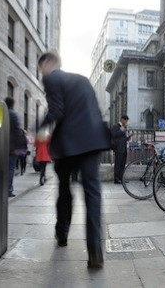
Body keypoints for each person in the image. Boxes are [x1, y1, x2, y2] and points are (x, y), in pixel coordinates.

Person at [36, 51, 110, 269]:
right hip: (92, 141)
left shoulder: (51, 78)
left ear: (48, 64)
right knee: (93, 195)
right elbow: (94, 112)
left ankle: (62, 234)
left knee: (65, 191)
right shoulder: (83, 80)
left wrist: (40, 128)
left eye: (42, 68)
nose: (42, 73)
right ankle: (95, 252)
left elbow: (56, 110)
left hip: (68, 144)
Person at [6, 97, 25, 197]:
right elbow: (18, 131)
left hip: (1, 145)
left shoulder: (1, 112)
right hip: (12, 147)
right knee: (10, 168)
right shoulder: (13, 115)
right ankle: (8, 189)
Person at [111, 114, 130, 184]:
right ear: (122, 119)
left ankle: (121, 178)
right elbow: (113, 134)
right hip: (118, 148)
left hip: (124, 148)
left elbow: (122, 138)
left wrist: (127, 138)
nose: (126, 122)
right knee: (118, 164)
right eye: (125, 121)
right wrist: (121, 131)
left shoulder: (123, 127)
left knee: (122, 164)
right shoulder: (116, 126)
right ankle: (116, 179)